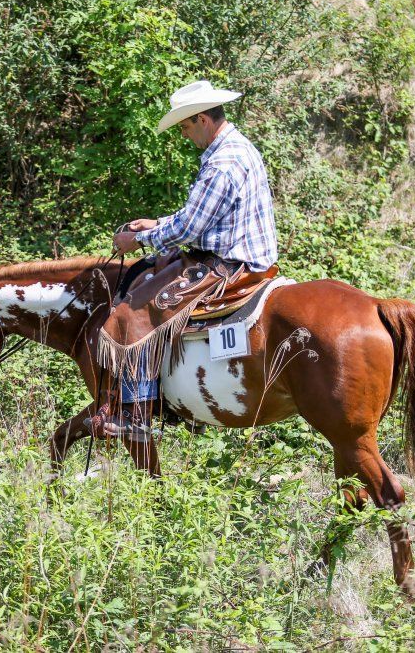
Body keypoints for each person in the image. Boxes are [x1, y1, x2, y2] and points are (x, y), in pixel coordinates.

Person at [97, 80, 279, 440]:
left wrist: (137, 240)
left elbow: (189, 230)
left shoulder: (221, 164)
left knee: (133, 311)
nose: (184, 134)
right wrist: (158, 223)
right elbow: (200, 218)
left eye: (184, 126)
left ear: (202, 120)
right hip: (242, 256)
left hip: (225, 265)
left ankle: (137, 415)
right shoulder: (238, 148)